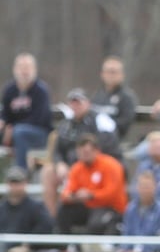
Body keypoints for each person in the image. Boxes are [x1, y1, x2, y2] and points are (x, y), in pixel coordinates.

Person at [40, 89, 120, 218]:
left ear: (88, 103)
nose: (76, 106)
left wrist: (83, 162)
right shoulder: (65, 124)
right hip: (71, 168)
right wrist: (59, 163)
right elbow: (57, 149)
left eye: (79, 102)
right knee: (48, 172)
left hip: (95, 166)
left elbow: (108, 146)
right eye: (73, 103)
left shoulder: (100, 120)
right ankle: (51, 219)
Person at [55, 134, 128, 235]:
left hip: (110, 207)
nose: (83, 155)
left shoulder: (111, 165)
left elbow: (112, 193)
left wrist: (91, 195)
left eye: (87, 152)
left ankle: (93, 248)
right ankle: (65, 247)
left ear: (96, 150)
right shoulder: (77, 168)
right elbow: (67, 191)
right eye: (80, 152)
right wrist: (73, 196)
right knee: (63, 211)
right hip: (88, 206)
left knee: (96, 223)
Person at [0, 165, 54, 252]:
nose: (15, 186)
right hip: (3, 249)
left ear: (25, 183)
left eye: (18, 182)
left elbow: (47, 226)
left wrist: (28, 243)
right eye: (12, 182)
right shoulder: (2, 208)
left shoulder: (35, 207)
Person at [0, 52, 54, 170]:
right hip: (14, 133)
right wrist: (3, 123)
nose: (24, 71)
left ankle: (21, 173)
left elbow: (39, 119)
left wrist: (13, 128)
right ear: (15, 69)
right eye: (21, 67)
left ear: (34, 69)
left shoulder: (41, 90)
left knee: (20, 132)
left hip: (39, 133)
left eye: (28, 67)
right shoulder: (10, 90)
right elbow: (5, 114)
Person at [90, 56, 140, 143]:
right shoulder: (98, 95)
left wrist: (106, 125)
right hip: (94, 141)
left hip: (114, 142)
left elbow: (124, 124)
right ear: (102, 74)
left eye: (114, 72)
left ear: (122, 75)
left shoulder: (126, 97)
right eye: (108, 72)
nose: (110, 75)